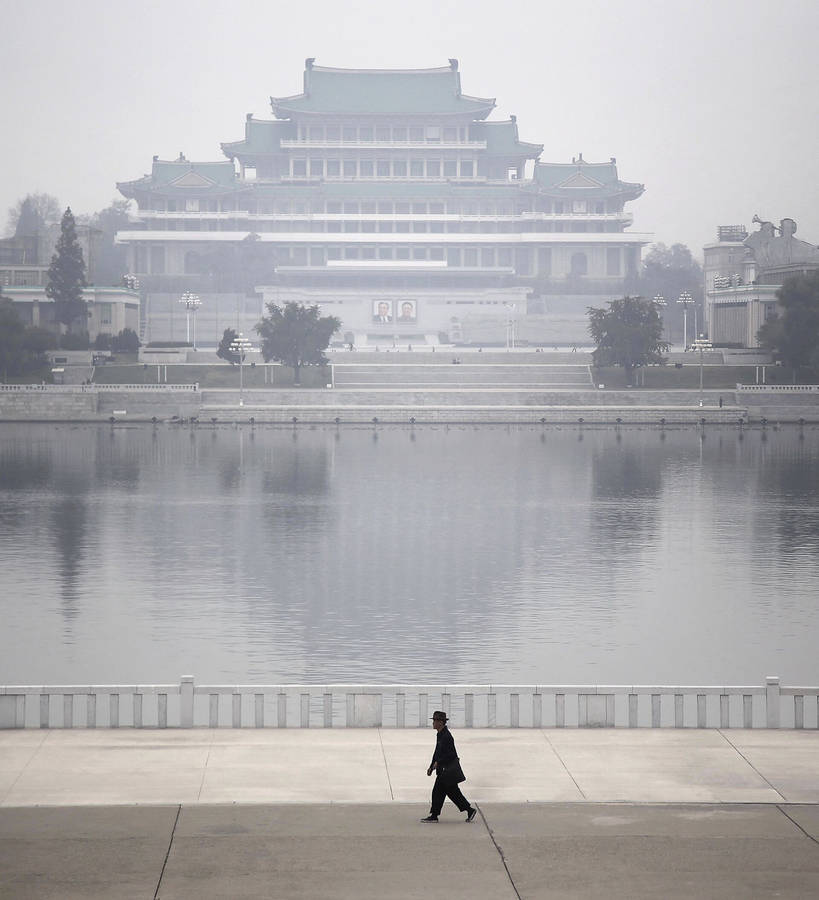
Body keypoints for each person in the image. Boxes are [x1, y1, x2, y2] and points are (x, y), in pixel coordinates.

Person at [421, 711, 477, 823]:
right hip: (444, 771)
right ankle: (469, 810)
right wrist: (431, 766)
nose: (433, 723)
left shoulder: (447, 736)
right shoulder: (440, 735)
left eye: (435, 721)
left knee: (438, 792)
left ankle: (434, 816)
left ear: (441, 722)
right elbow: (437, 752)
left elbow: (451, 755)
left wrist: (438, 763)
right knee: (452, 793)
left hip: (447, 772)